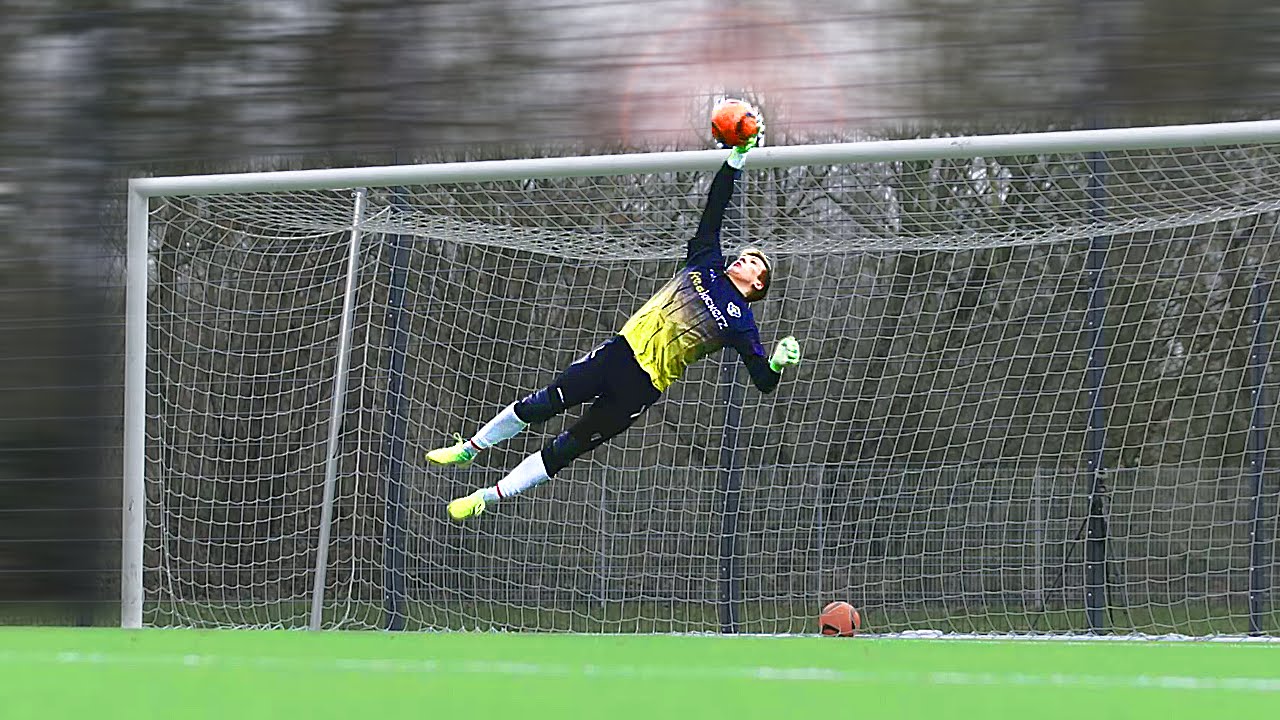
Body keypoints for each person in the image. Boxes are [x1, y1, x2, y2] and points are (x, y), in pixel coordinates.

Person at [427, 114, 801, 520]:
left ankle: (486, 498)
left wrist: (777, 363)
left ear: (758, 284)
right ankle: (470, 448)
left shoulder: (741, 321)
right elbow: (716, 207)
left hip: (643, 386)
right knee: (540, 404)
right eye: (744, 254)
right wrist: (736, 158)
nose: (743, 258)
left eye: (753, 262)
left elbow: (763, 380)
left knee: (567, 447)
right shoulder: (705, 261)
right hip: (618, 353)